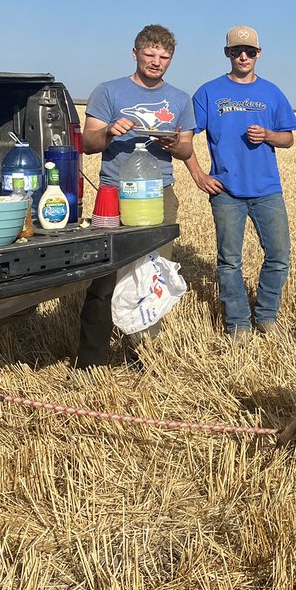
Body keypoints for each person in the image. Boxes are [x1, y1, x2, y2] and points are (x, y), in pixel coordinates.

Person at [76, 24, 194, 367]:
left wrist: (174, 144)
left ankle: (143, 356)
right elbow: (89, 143)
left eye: (164, 56)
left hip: (160, 195)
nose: (156, 62)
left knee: (154, 277)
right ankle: (92, 361)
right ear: (135, 53)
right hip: (114, 194)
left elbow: (187, 149)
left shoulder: (180, 99)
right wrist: (111, 132)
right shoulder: (108, 92)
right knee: (105, 279)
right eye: (150, 54)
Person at [185, 25, 296, 338]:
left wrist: (269, 136)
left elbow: (288, 139)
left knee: (278, 256)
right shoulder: (209, 92)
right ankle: (237, 323)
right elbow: (184, 139)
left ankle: (266, 317)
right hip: (226, 192)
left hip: (267, 190)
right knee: (229, 261)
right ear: (227, 54)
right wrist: (199, 176)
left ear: (258, 53)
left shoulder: (272, 92)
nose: (243, 56)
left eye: (249, 51)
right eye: (237, 51)